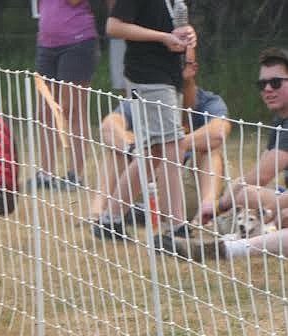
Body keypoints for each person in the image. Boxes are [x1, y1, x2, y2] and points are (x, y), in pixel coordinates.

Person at [92, 0, 196, 257]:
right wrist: (162, 37)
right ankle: (175, 227)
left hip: (170, 75)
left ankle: (111, 219)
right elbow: (113, 26)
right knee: (173, 145)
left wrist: (189, 34)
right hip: (148, 75)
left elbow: (172, 25)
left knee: (155, 152)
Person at [92, 45, 231, 228]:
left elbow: (218, 133)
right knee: (116, 150)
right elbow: (109, 126)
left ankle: (206, 211)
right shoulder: (147, 99)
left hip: (187, 183)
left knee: (211, 152)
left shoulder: (208, 102)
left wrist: (169, 146)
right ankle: (97, 213)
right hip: (146, 179)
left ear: (192, 69)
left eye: (177, 62)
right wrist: (135, 149)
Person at [199, 47, 288, 255]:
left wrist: (219, 206)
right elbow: (255, 175)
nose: (267, 89)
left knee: (254, 198)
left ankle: (229, 246)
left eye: (275, 83)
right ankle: (228, 232)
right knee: (249, 195)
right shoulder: (280, 122)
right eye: (262, 84)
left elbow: (261, 176)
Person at [33, 0, 100, 190]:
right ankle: (46, 173)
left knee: (72, 109)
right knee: (45, 110)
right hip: (46, 42)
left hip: (77, 41)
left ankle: (75, 174)